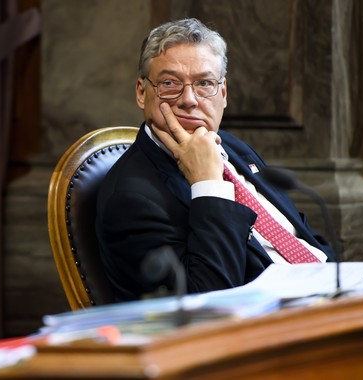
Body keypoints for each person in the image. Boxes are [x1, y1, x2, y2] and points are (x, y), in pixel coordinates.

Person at [95, 18, 335, 302]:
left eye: (204, 83)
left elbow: (302, 239)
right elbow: (207, 304)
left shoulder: (234, 148)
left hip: (326, 297)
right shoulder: (131, 199)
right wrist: (208, 184)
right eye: (170, 83)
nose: (189, 100)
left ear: (223, 93)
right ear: (141, 92)